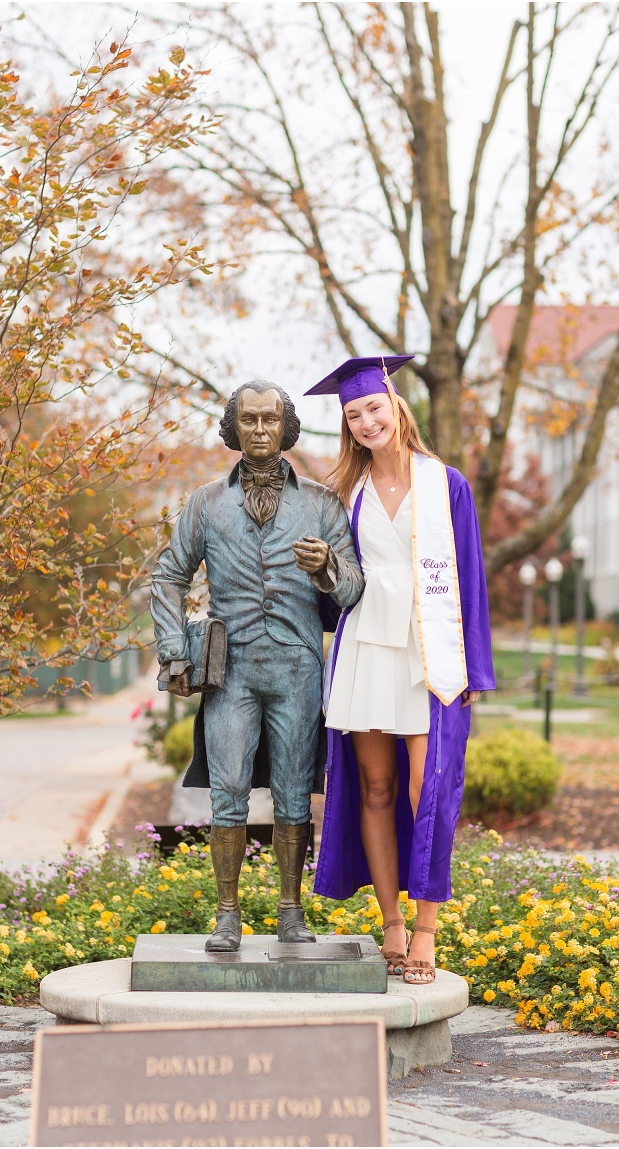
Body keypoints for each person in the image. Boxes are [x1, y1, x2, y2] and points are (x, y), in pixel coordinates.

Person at [151, 380, 364, 952]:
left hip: (296, 667)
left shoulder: (321, 503)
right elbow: (170, 574)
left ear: (287, 427)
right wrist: (174, 649)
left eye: (272, 419)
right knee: (228, 793)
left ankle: (291, 912)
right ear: (234, 428)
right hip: (233, 669)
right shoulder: (207, 503)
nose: (262, 429)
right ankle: (227, 915)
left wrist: (326, 569)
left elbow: (352, 590)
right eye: (250, 420)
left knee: (296, 794)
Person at [305, 356, 495, 984]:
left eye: (374, 408)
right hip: (365, 649)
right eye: (353, 414)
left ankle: (426, 929)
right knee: (376, 789)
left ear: (396, 406)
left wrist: (474, 669)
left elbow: (470, 576)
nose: (366, 421)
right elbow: (338, 588)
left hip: (428, 651)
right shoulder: (345, 494)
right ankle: (389, 922)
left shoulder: (447, 484)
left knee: (426, 790)